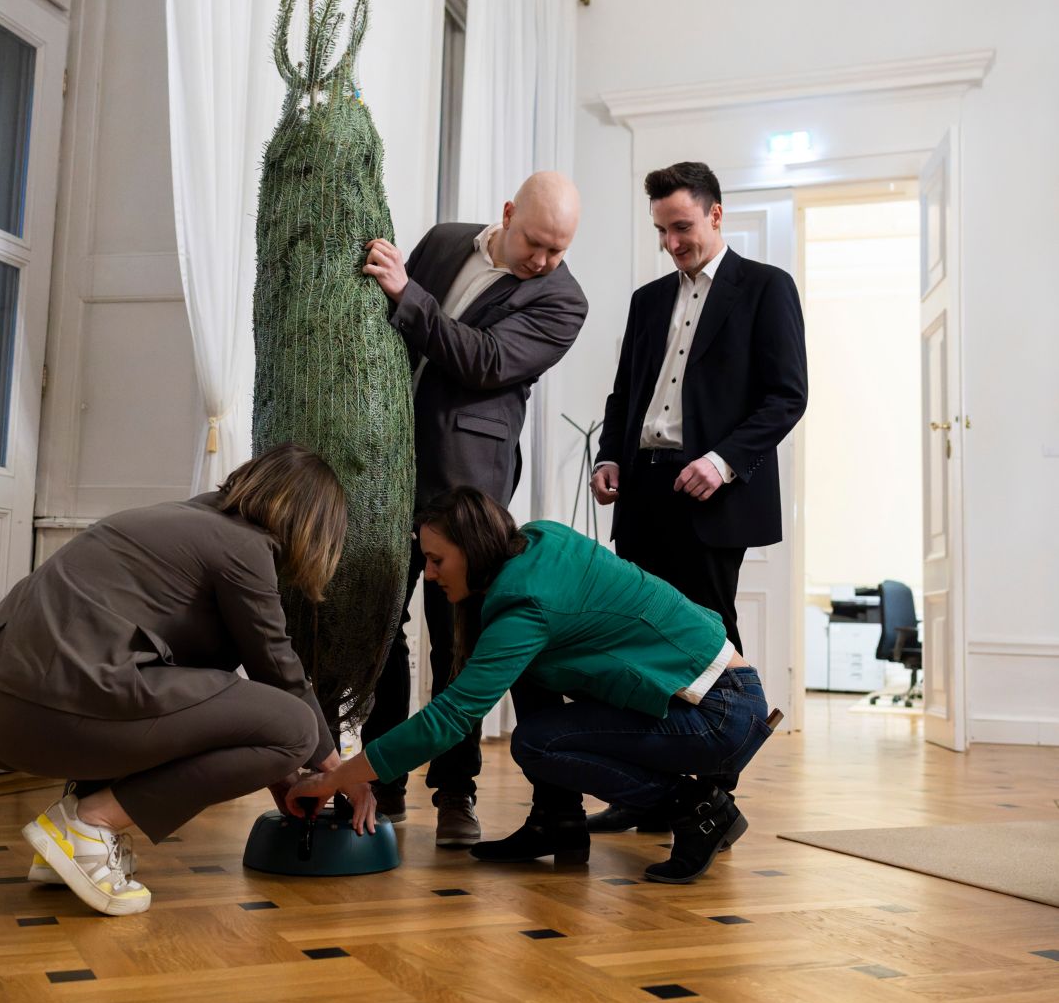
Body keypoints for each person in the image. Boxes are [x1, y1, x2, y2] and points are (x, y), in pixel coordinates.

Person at [0, 445, 375, 919]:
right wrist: (339, 773)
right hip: (44, 707)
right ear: (314, 524)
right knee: (296, 726)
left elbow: (197, 697)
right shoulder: (244, 547)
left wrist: (278, 768)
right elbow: (281, 673)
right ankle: (88, 826)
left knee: (220, 710)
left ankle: (66, 848)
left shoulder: (177, 523)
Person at [288, 488, 775, 882]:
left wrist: (337, 777)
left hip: (719, 716)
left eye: (437, 560)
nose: (429, 574)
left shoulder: (523, 606)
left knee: (540, 742)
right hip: (730, 699)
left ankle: (697, 810)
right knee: (531, 673)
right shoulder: (538, 541)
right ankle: (556, 821)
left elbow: (451, 717)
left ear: (473, 549)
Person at [360, 171, 587, 847]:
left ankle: (454, 794)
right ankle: (381, 786)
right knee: (377, 631)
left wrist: (406, 292)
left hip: (468, 485)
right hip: (384, 464)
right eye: (536, 242)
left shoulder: (562, 302)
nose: (543, 260)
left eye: (558, 248)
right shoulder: (444, 241)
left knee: (458, 642)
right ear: (508, 213)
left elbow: (484, 361)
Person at [587, 160, 806, 835]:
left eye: (681, 227)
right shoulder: (647, 300)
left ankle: (712, 793)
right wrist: (609, 454)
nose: (671, 243)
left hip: (712, 491)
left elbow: (786, 396)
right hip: (644, 488)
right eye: (661, 231)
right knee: (639, 640)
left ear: (716, 214)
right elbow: (626, 392)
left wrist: (722, 462)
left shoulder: (766, 288)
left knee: (708, 639)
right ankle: (649, 788)